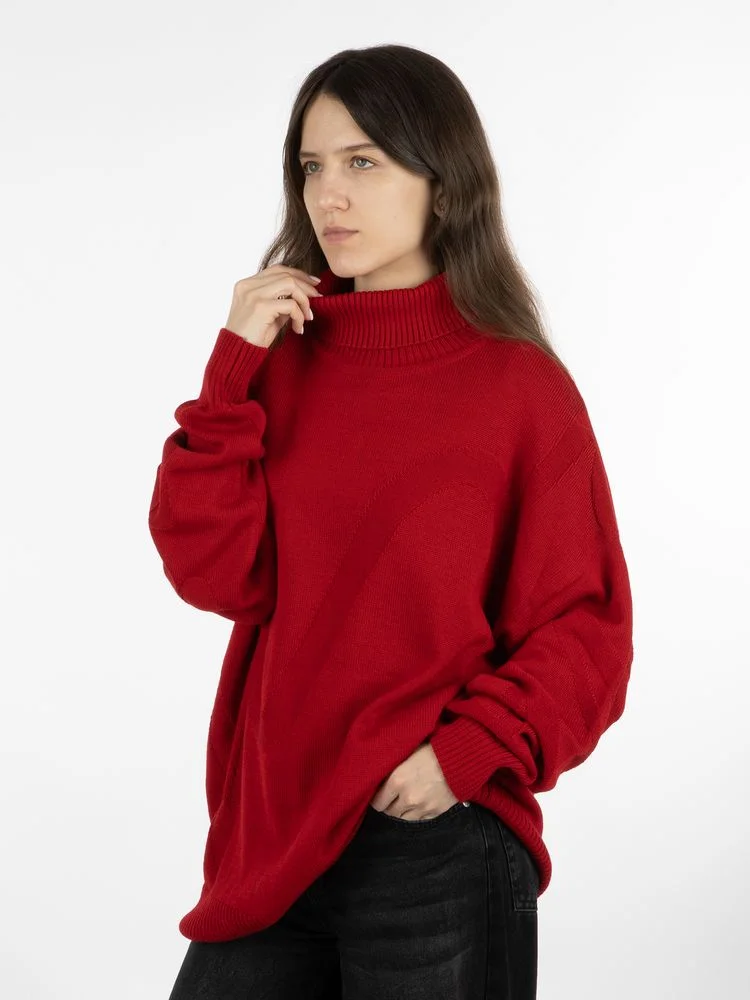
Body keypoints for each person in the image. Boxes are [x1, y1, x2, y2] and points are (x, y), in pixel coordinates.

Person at [150, 42, 633, 1000]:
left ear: (442, 184)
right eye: (311, 166)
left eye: (363, 162)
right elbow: (217, 577)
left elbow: (587, 628)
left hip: (435, 839)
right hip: (274, 839)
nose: (328, 196)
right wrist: (231, 373)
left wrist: (462, 757)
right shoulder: (279, 363)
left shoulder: (519, 388)